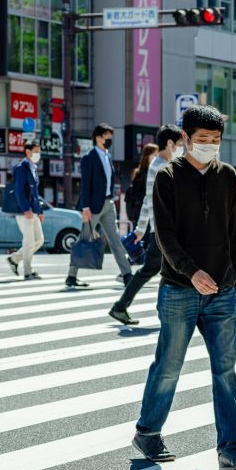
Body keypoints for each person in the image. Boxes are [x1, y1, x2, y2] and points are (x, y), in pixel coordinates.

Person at [131, 105, 236, 470]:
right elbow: (164, 236)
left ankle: (231, 447)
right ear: (185, 138)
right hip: (178, 290)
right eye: (202, 140)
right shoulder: (167, 176)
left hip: (222, 290)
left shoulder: (228, 176)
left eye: (215, 140)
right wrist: (191, 272)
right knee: (169, 366)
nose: (209, 146)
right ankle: (148, 432)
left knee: (225, 370)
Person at [109, 125, 183, 325]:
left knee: (159, 270)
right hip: (164, 230)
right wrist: (142, 229)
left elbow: (147, 201)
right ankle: (122, 306)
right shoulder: (160, 166)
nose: (182, 148)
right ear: (169, 144)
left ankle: (124, 307)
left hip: (163, 229)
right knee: (155, 270)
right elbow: (151, 201)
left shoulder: (164, 164)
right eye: (180, 145)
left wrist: (141, 229)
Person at [66, 123, 133, 288]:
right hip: (93, 206)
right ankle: (71, 276)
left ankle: (127, 275)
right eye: (107, 137)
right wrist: (85, 207)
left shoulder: (108, 156)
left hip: (109, 204)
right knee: (83, 239)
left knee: (115, 240)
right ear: (98, 138)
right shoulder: (89, 158)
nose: (110, 140)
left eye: (111, 137)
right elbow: (85, 185)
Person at [3, 141, 45, 280]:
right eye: (36, 151)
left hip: (33, 210)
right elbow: (19, 191)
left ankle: (14, 259)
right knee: (29, 241)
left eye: (39, 151)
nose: (38, 154)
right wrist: (26, 208)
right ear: (28, 151)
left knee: (39, 240)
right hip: (24, 211)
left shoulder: (33, 167)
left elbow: (35, 193)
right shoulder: (21, 167)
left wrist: (39, 211)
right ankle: (28, 272)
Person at [124, 143, 158, 228]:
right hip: (142, 210)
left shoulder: (156, 170)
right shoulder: (140, 173)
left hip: (153, 211)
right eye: (155, 154)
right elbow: (136, 194)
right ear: (148, 155)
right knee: (142, 239)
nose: (157, 157)